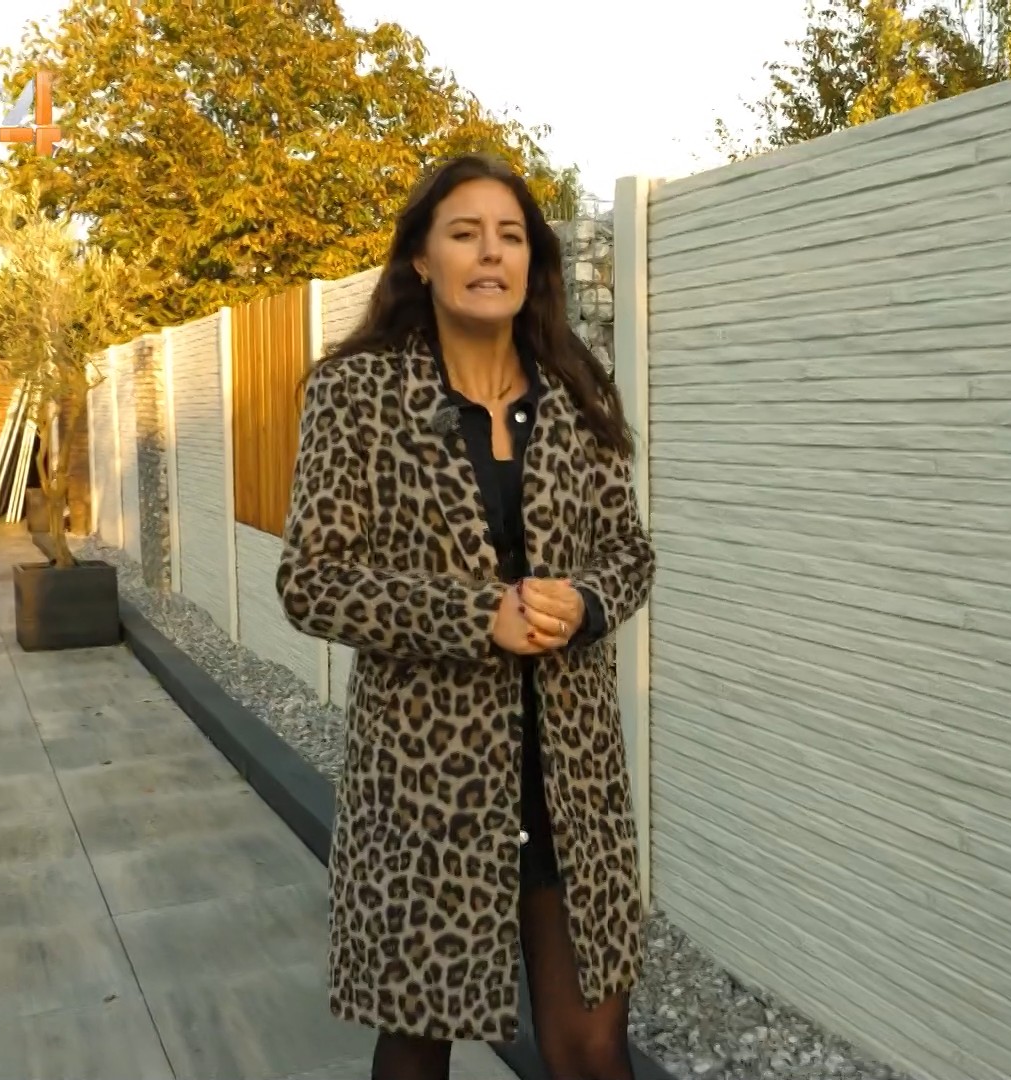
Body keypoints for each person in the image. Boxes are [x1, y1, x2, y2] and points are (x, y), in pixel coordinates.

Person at [277, 153, 654, 1080]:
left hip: (573, 781)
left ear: (532, 262)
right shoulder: (356, 394)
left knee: (593, 1050)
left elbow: (630, 554)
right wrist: (476, 614)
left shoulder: (579, 393)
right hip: (425, 787)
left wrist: (586, 602)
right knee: (417, 1042)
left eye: (511, 236)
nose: (492, 253)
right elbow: (312, 581)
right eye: (465, 233)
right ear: (422, 259)